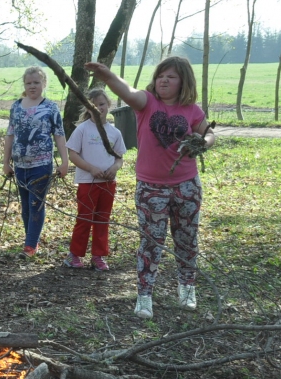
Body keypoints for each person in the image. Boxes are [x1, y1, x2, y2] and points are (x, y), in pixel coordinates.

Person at [86, 56, 214, 319]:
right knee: (151, 243)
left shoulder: (192, 110)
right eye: (160, 75)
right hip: (151, 188)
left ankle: (187, 287)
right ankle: (144, 295)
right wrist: (107, 76)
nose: (164, 80)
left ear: (184, 82)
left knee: (187, 239)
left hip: (187, 186)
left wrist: (204, 141)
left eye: (172, 76)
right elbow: (127, 90)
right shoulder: (146, 102)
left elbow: (209, 133)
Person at [2, 66, 69, 257]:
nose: (32, 86)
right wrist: (6, 162)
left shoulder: (50, 107)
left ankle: (30, 246)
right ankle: (31, 242)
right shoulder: (16, 106)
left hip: (41, 166)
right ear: (24, 84)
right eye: (29, 83)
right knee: (26, 207)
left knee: (36, 204)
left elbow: (59, 135)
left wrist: (65, 162)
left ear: (44, 84)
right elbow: (9, 135)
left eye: (36, 83)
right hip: (20, 166)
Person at [64, 88, 126, 271]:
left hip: (107, 184)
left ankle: (98, 257)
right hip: (87, 183)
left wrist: (114, 168)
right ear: (87, 108)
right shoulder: (82, 129)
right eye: (94, 105)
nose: (99, 108)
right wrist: (91, 168)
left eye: (102, 104)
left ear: (108, 105)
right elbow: (72, 154)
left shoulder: (115, 132)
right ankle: (74, 255)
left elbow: (120, 158)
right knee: (84, 218)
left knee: (102, 219)